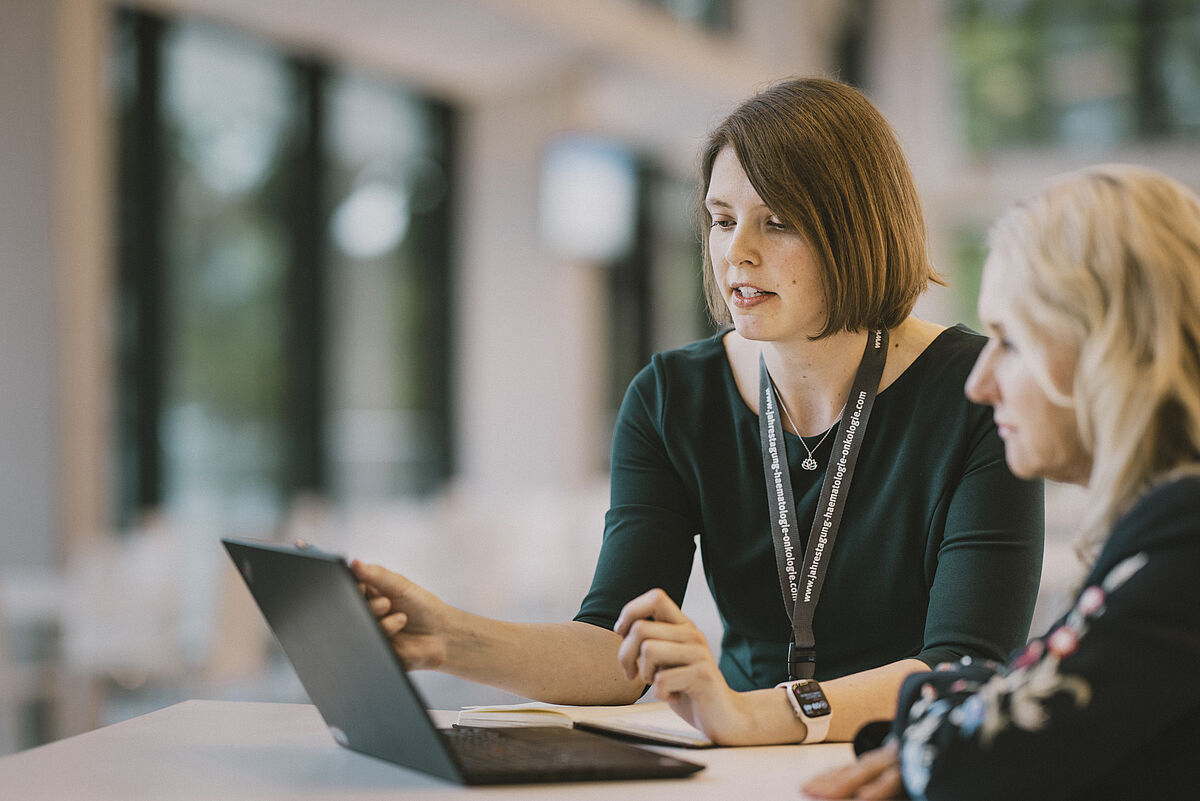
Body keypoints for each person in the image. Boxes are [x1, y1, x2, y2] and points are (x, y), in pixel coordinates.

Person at [352, 77, 1044, 745]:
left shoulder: (980, 391)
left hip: (904, 761)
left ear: (857, 230)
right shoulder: (671, 397)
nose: (735, 253)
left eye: (777, 222)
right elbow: (611, 651)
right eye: (720, 220)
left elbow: (966, 670)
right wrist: (447, 637)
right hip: (737, 765)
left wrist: (755, 715)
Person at [803, 163, 1200, 800]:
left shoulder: (1183, 536)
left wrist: (929, 706)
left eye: (1011, 342)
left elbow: (981, 758)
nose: (979, 384)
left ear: (1108, 348)